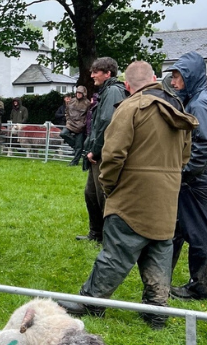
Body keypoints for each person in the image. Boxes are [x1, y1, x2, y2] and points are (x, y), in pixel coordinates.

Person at [58, 61, 196, 330]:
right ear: (155, 79)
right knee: (159, 248)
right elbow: (185, 155)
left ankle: (92, 301)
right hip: (167, 194)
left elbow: (112, 155)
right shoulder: (177, 108)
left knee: (118, 249)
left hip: (132, 193)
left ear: (128, 86)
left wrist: (110, 187)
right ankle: (156, 310)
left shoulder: (131, 107)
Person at [165, 51, 207, 300]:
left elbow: (203, 143)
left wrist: (187, 173)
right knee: (184, 229)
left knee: (200, 233)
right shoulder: (201, 98)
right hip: (201, 177)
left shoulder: (199, 103)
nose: (173, 82)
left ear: (190, 76)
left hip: (199, 180)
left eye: (177, 76)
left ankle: (201, 287)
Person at [77, 57, 127, 243]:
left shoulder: (113, 91)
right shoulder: (107, 91)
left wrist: (95, 150)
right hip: (98, 153)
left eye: (95, 72)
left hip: (104, 154)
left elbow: (107, 122)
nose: (91, 76)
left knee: (103, 197)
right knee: (91, 194)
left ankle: (110, 238)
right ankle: (96, 234)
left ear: (108, 73)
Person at [59, 86, 90, 166]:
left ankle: (74, 162)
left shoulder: (87, 103)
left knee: (79, 145)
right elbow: (67, 111)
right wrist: (68, 119)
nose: (78, 94)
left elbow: (89, 115)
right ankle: (75, 146)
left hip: (80, 126)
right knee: (63, 133)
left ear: (84, 94)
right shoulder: (72, 101)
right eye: (77, 93)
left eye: (80, 93)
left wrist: (83, 124)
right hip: (70, 124)